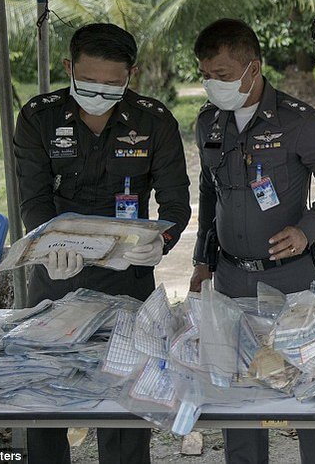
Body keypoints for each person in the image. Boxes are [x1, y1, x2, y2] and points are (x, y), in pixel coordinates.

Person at [13, 23, 191, 464]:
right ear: (69, 68)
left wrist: (160, 243)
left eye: (113, 84)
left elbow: (176, 203)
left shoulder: (154, 120)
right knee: (47, 402)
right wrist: (48, 246)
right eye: (89, 81)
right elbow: (33, 199)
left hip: (128, 281)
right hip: (57, 279)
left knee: (125, 411)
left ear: (131, 73)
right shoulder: (40, 116)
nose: (100, 92)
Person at [189, 18, 315, 464]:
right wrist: (202, 261)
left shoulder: (300, 122)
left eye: (221, 75)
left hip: (292, 282)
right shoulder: (208, 124)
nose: (211, 84)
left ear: (252, 67)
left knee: (311, 395)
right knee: (241, 401)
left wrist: (308, 230)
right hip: (231, 280)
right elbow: (209, 192)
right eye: (204, 74)